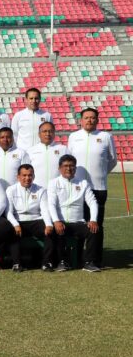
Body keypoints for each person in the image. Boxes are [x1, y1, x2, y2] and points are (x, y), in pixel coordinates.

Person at [67, 108, 115, 267]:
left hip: (98, 187)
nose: (89, 120)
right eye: (86, 118)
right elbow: (69, 160)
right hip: (77, 188)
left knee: (96, 224)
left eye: (93, 118)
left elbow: (112, 160)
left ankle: (94, 259)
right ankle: (77, 256)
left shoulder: (105, 137)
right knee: (79, 223)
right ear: (80, 120)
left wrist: (100, 173)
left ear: (97, 120)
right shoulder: (73, 137)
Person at [47, 154, 101, 272]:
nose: (69, 168)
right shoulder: (53, 183)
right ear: (59, 168)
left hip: (78, 222)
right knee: (57, 230)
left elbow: (92, 202)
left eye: (72, 166)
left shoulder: (83, 183)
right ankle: (62, 262)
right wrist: (56, 221)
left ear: (75, 168)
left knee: (94, 230)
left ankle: (89, 262)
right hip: (61, 222)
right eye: (65, 166)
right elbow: (51, 204)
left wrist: (93, 220)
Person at [6, 164, 55, 272]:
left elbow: (45, 210)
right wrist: (15, 224)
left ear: (33, 176)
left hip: (35, 220)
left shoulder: (41, 190)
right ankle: (17, 264)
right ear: (18, 177)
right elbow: (8, 212)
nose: (27, 178)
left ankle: (46, 263)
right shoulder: (11, 190)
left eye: (30, 175)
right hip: (19, 221)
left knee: (50, 232)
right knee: (11, 232)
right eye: (24, 175)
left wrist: (48, 224)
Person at [27, 122, 70, 190]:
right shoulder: (30, 151)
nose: (47, 134)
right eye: (44, 131)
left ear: (54, 133)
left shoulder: (63, 149)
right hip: (37, 191)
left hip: (59, 190)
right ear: (39, 134)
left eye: (50, 131)